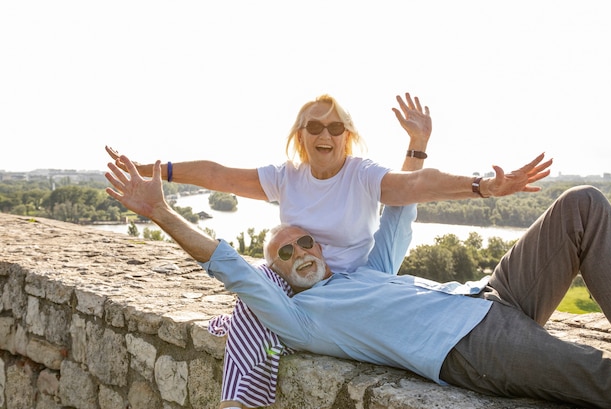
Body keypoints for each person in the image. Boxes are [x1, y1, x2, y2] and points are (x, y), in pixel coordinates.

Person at [108, 92, 432, 408]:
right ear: (299, 135)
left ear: (346, 135)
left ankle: (235, 401)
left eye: (335, 127)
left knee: (251, 301)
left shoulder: (360, 173)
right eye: (315, 127)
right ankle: (234, 403)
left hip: (358, 283)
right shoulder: (287, 177)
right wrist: (155, 171)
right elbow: (218, 175)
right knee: (259, 282)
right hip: (300, 286)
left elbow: (405, 198)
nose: (325, 134)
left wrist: (418, 143)